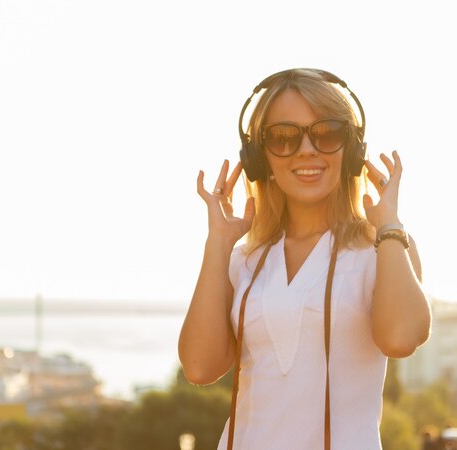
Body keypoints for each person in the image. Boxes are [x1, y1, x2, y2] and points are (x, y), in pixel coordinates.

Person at [177, 68, 431, 450]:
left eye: (327, 133)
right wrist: (218, 243)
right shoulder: (243, 259)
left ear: (352, 150)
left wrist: (390, 225)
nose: (307, 150)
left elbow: (400, 338)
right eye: (283, 137)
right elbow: (199, 367)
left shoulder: (385, 246)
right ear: (258, 158)